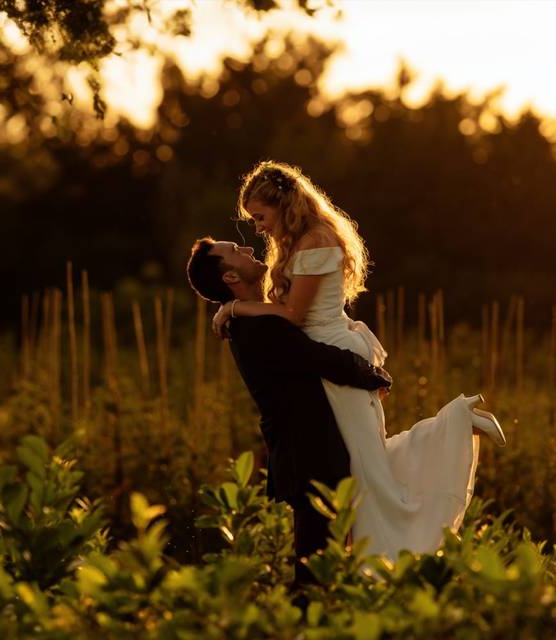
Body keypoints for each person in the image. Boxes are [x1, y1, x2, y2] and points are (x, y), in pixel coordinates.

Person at [209, 160, 506, 560]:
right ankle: (449, 430)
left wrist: (234, 310)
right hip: (329, 348)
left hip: (332, 349)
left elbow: (295, 317)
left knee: (369, 467)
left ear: (282, 204)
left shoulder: (315, 241)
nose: (258, 228)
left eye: (261, 217)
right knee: (368, 459)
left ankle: (454, 424)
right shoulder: (298, 242)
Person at [186, 236, 392, 588]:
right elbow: (320, 358)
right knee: (315, 574)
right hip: (310, 457)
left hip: (309, 456)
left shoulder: (255, 319)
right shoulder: (257, 328)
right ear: (231, 278)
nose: (248, 250)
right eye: (235, 252)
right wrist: (375, 373)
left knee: (324, 567)